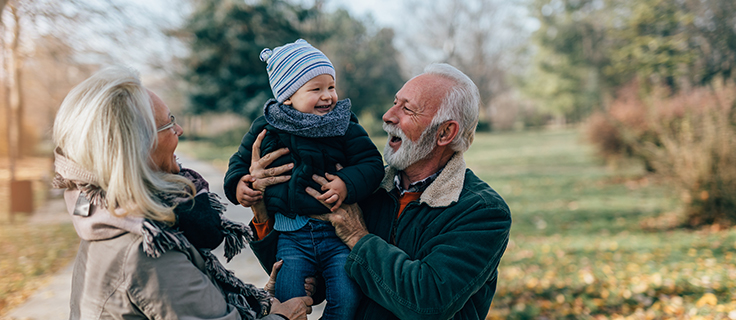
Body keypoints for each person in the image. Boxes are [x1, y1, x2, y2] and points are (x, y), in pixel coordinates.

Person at [242, 63, 512, 319]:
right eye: (395, 102)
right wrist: (261, 209)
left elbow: (427, 303)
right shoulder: (366, 186)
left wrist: (358, 238)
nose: (388, 116)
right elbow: (313, 273)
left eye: (408, 109)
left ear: (444, 133)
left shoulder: (482, 212)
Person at [52, 66, 313, 320]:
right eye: (169, 124)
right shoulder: (148, 251)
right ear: (135, 148)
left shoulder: (111, 219)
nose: (180, 130)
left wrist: (258, 305)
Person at [224, 39, 384, 320]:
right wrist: (240, 185)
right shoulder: (268, 125)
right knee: (288, 301)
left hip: (337, 234)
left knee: (346, 298)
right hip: (291, 237)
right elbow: (239, 163)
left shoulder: (343, 123)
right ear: (287, 96)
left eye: (331, 87)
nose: (328, 96)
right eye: (316, 89)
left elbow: (371, 164)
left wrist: (345, 183)